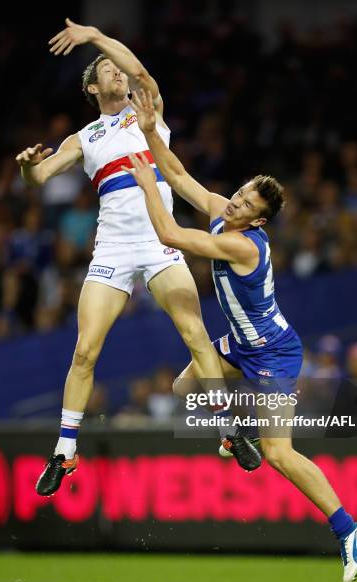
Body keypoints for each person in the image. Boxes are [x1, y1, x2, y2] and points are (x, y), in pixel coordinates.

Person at [123, 89, 357, 582]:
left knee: (279, 452)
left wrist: (144, 185)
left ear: (258, 220)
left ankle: (349, 529)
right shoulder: (224, 211)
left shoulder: (241, 243)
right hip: (243, 344)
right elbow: (176, 172)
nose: (233, 203)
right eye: (237, 194)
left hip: (273, 355)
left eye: (244, 204)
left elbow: (170, 234)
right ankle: (233, 431)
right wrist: (151, 129)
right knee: (183, 388)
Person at [15, 19, 258, 497]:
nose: (118, 73)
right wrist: (25, 169)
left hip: (159, 241)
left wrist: (95, 38)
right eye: (107, 69)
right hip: (113, 249)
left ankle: (229, 430)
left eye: (119, 67)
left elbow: (141, 70)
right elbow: (39, 179)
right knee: (85, 350)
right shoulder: (83, 139)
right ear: (91, 87)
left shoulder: (147, 109)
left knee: (194, 332)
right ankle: (64, 452)